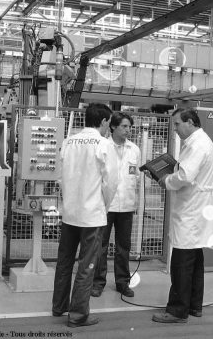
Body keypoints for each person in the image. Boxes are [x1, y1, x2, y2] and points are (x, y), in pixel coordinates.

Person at [52, 103, 118, 328]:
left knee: (64, 261)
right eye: (109, 123)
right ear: (103, 121)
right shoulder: (104, 144)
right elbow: (111, 183)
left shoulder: (68, 141)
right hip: (91, 215)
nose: (109, 127)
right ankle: (79, 314)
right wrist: (104, 206)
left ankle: (59, 306)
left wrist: (69, 200)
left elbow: (59, 178)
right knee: (87, 264)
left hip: (70, 212)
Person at [152, 108, 213, 323]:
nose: (176, 128)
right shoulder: (201, 141)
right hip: (197, 208)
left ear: (190, 122)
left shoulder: (197, 144)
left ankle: (177, 311)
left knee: (181, 262)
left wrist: (165, 180)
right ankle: (194, 306)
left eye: (178, 124)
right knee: (195, 261)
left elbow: (185, 176)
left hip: (191, 210)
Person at [91, 112, 140, 298]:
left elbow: (135, 176)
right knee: (101, 246)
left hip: (126, 206)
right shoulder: (103, 147)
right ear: (113, 127)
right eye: (124, 126)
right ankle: (98, 282)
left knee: (123, 247)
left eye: (129, 127)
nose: (128, 130)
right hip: (106, 205)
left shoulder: (134, 149)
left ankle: (122, 282)